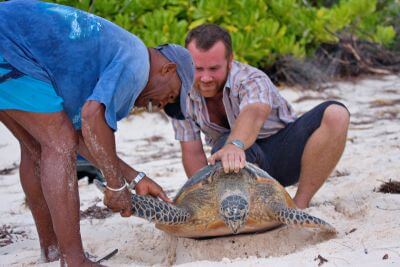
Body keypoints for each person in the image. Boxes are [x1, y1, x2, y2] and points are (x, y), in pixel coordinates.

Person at [0, 0, 194, 266]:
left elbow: (84, 135)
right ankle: (75, 260)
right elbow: (93, 117)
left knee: (37, 147)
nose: (161, 104)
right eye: (170, 95)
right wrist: (115, 185)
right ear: (168, 69)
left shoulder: (122, 52)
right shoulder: (137, 64)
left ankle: (53, 250)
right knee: (59, 144)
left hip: (11, 42)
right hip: (9, 41)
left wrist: (135, 178)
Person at [171, 23, 350, 210]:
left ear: (230, 60)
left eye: (214, 69)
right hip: (236, 167)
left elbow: (254, 112)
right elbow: (193, 152)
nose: (205, 78)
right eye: (198, 68)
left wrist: (235, 145)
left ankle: (300, 204)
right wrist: (203, 201)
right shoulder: (180, 95)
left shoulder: (250, 78)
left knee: (336, 114)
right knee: (223, 146)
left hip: (285, 153)